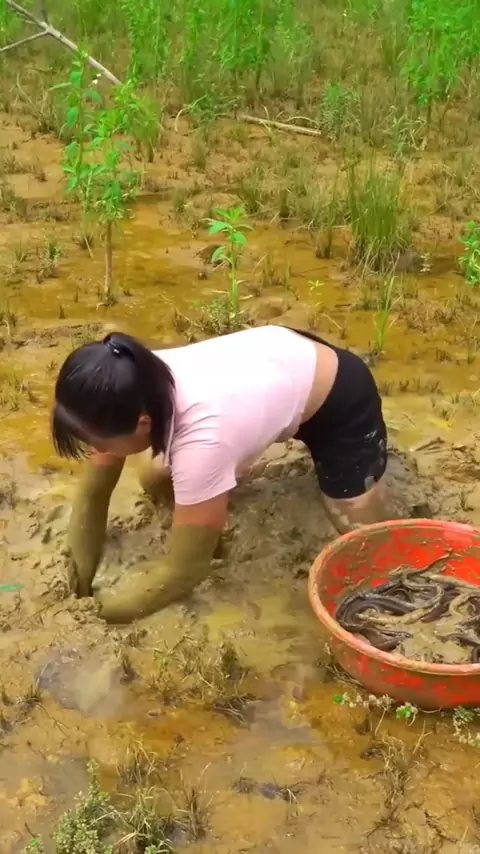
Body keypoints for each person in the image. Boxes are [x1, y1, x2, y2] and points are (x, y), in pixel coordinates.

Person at [51, 325, 390, 624]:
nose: (95, 450)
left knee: (363, 538)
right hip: (274, 361)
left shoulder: (201, 444)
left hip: (336, 394)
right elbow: (93, 495)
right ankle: (228, 471)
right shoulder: (124, 388)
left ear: (143, 424)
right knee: (156, 480)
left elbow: (185, 572)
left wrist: (98, 616)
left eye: (97, 443)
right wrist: (78, 586)